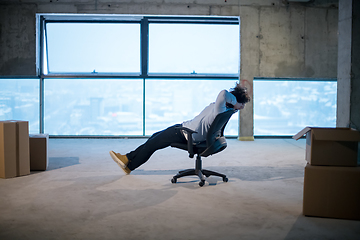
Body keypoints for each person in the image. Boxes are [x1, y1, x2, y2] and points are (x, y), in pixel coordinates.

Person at [109, 82, 250, 175]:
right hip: (184, 129)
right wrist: (237, 102)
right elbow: (223, 96)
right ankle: (128, 161)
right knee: (154, 137)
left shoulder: (221, 109)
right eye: (241, 103)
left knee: (153, 143)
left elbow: (223, 93)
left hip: (185, 134)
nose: (242, 107)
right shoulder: (223, 109)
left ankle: (128, 161)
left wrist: (237, 102)